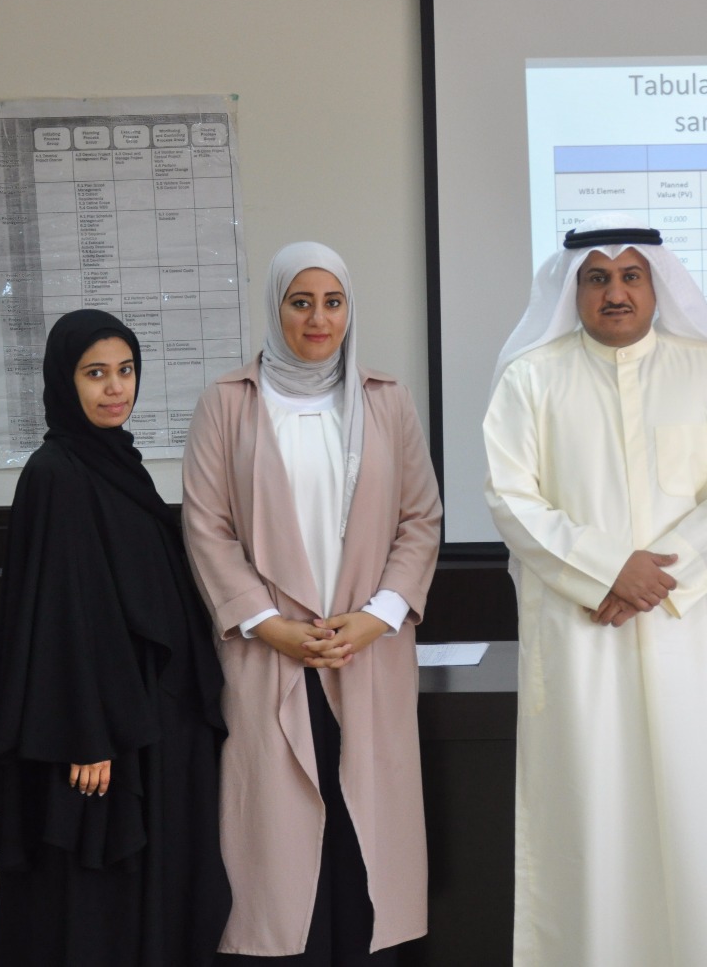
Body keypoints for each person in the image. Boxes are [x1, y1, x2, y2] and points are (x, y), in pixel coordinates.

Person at [483, 213, 707, 967]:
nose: (615, 292)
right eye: (597, 278)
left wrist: (653, 575)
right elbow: (511, 498)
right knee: (593, 818)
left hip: (687, 632)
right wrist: (609, 568)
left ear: (655, 285)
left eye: (630, 276)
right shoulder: (531, 378)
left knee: (695, 817)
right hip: (581, 635)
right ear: (573, 289)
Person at [182, 242, 442, 964]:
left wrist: (378, 616)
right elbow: (206, 527)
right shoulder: (227, 403)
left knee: (367, 835)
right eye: (301, 303)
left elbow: (420, 519)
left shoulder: (387, 400)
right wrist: (269, 625)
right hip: (269, 654)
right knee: (280, 839)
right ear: (276, 309)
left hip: (367, 652)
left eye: (333, 302)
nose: (318, 319)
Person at [0, 309, 230, 966]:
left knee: (156, 885)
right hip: (101, 733)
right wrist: (86, 734)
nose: (115, 388)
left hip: (152, 717)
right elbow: (58, 617)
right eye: (95, 374)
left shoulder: (120, 464)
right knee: (96, 895)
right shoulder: (54, 473)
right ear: (65, 381)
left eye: (125, 371)